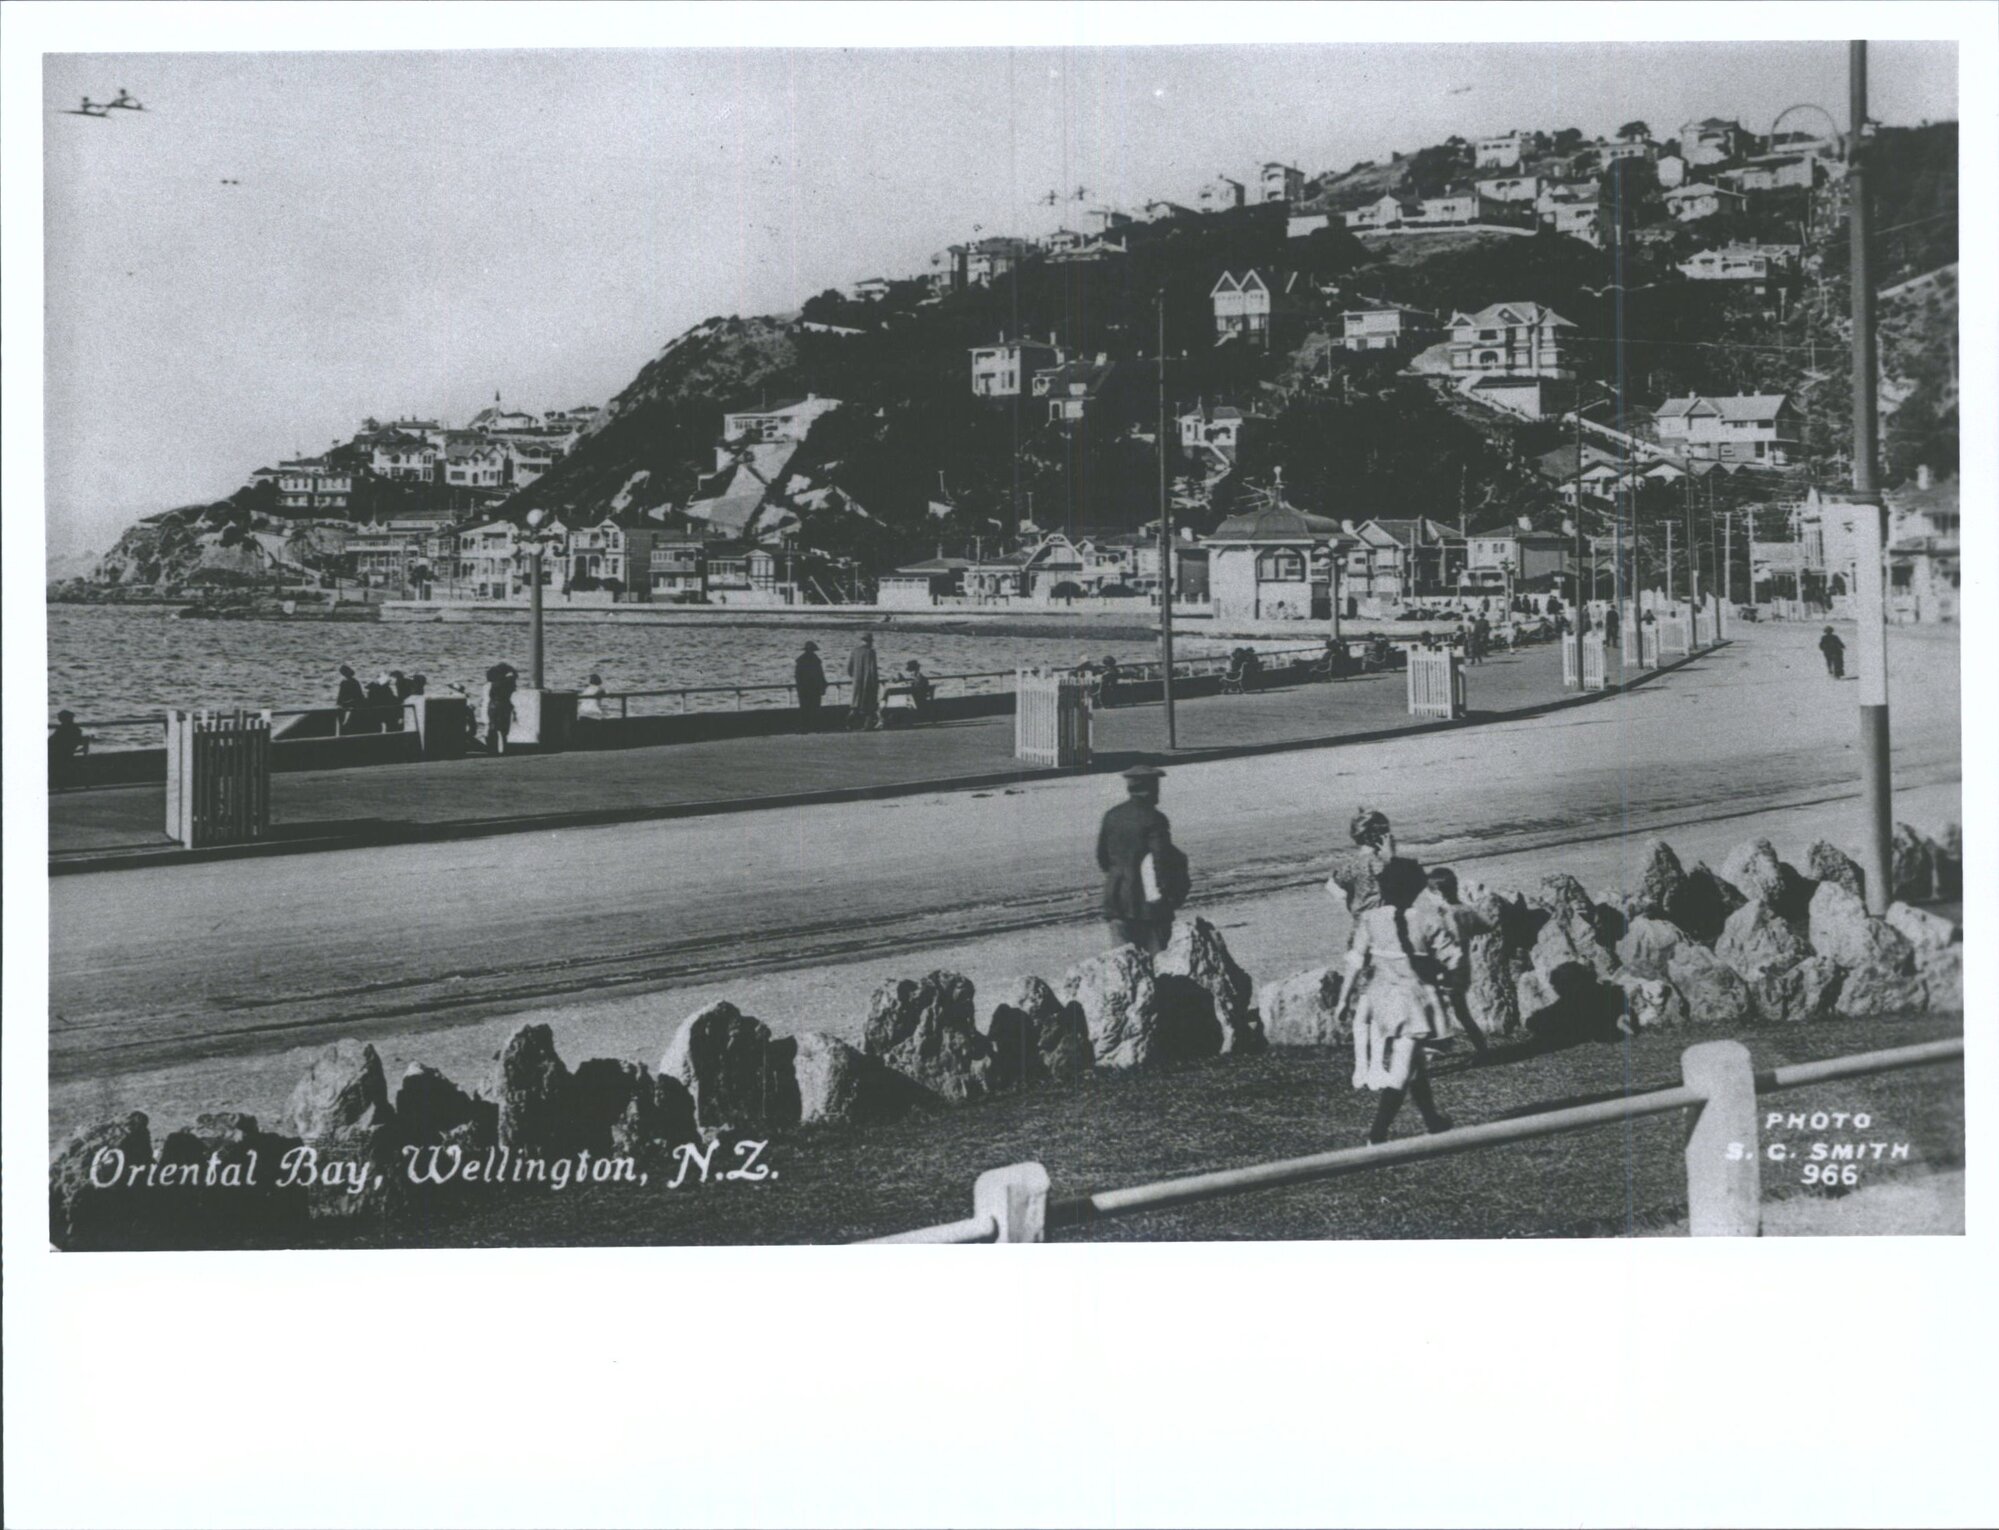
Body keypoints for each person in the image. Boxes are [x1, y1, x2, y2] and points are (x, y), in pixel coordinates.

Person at [1341, 855, 1464, 1144]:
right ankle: (1377, 1136)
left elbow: (1355, 961)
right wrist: (1447, 978)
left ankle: (1433, 1120)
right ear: (1416, 889)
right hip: (1415, 1004)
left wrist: (1343, 999)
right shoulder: (1426, 921)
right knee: (1402, 1067)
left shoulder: (1370, 919)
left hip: (1385, 1002)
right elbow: (1452, 959)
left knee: (1415, 1061)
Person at [1097, 765, 1183, 954]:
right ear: (1151, 789)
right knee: (1158, 960)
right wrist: (1169, 896)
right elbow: (1161, 861)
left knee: (1123, 962)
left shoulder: (1112, 816)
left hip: (1116, 900)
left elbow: (1102, 858)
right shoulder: (1154, 819)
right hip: (1147, 906)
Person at [847, 632, 880, 730]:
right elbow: (873, 670)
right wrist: (875, 683)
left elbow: (849, 669)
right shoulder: (871, 652)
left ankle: (848, 724)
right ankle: (867, 726)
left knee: (855, 705)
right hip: (868, 683)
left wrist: (856, 677)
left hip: (856, 683)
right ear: (870, 642)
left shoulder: (855, 651)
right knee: (869, 705)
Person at [49, 709, 89, 791]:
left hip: (62, 754)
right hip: (68, 752)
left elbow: (51, 740)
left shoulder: (62, 729)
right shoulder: (76, 729)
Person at [484, 662, 517, 754]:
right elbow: (515, 677)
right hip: (504, 705)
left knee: (492, 727)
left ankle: (491, 749)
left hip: (493, 705)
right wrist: (512, 670)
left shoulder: (494, 683)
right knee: (504, 729)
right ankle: (503, 748)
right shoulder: (509, 682)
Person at [794, 641, 828, 723]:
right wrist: (823, 686)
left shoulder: (800, 661)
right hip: (815, 688)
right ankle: (814, 725)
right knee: (815, 707)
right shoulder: (816, 661)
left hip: (803, 688)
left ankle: (804, 726)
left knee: (804, 707)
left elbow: (797, 676)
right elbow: (820, 675)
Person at [335, 663, 366, 731]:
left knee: (343, 710)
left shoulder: (351, 682)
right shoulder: (348, 682)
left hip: (355, 703)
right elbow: (340, 696)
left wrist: (343, 703)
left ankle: (343, 726)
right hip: (352, 703)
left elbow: (358, 696)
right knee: (340, 709)